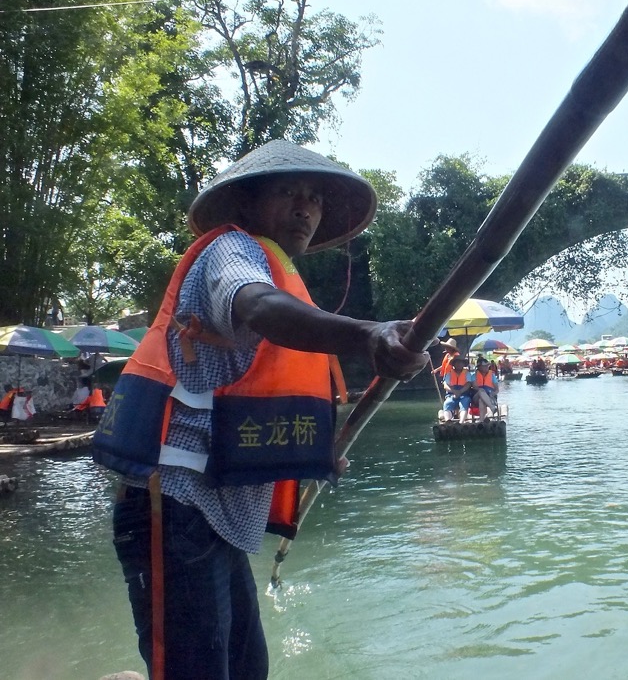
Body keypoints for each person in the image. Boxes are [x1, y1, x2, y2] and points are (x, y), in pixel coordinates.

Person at [91, 140, 430, 680]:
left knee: (248, 668)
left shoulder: (276, 273)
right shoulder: (233, 253)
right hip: (174, 502)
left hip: (214, 515)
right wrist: (370, 333)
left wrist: (312, 455)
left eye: (315, 198)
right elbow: (257, 307)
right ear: (247, 203)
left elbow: (252, 405)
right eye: (288, 192)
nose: (305, 208)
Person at [443, 355, 472, 422]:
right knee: (447, 403)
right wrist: (454, 391)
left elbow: (468, 384)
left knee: (464, 403)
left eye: (460, 362)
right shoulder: (449, 374)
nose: (459, 364)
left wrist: (460, 391)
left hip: (464, 394)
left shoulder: (467, 373)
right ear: (454, 364)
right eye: (457, 362)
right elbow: (445, 385)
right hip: (451, 394)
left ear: (463, 364)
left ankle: (461, 422)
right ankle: (448, 421)